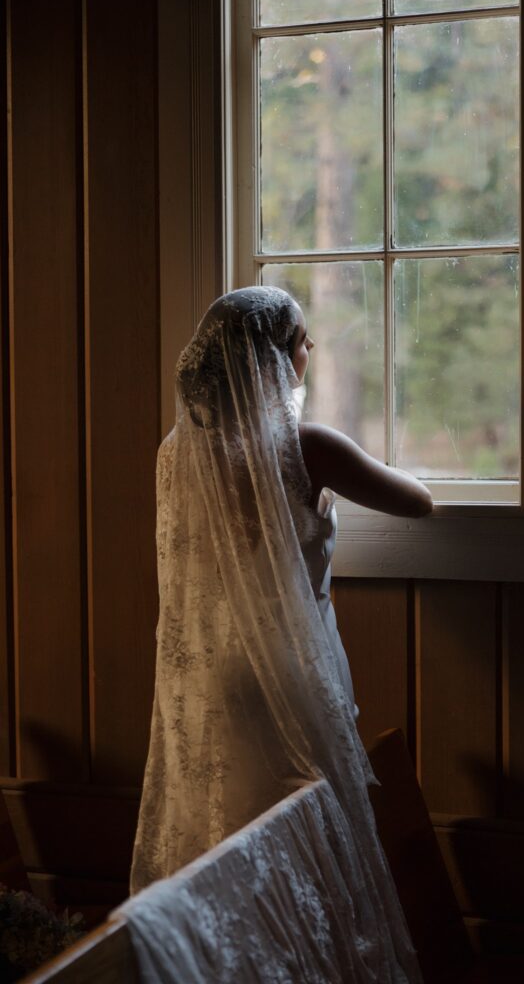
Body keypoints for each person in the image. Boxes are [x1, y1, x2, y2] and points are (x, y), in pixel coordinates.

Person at [129, 286, 431, 980]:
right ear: (272, 358)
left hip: (213, 677)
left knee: (236, 836)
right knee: (305, 833)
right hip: (288, 669)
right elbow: (418, 502)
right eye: (301, 339)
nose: (310, 350)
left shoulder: (176, 455)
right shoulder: (304, 448)